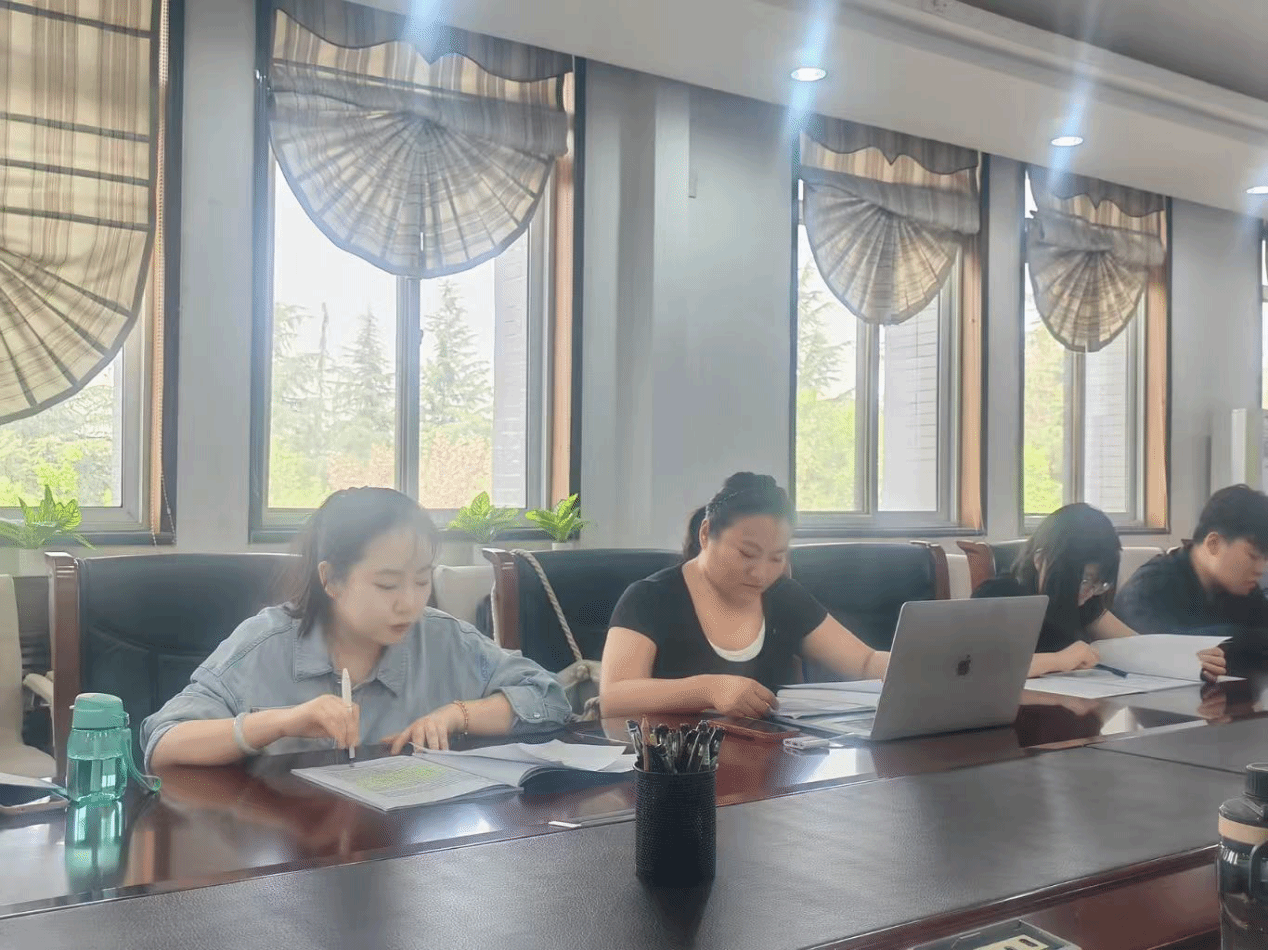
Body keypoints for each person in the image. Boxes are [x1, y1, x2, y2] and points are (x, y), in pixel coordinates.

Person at [141, 487, 569, 769]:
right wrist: (281, 722)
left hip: (413, 855)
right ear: (331, 580)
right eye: (387, 584)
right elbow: (163, 744)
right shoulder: (265, 645)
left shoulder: (445, 639)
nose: (410, 602)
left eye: (422, 580)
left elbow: (549, 698)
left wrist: (457, 715)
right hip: (294, 859)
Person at [599, 473, 888, 719]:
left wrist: (910, 669)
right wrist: (708, 690)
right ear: (706, 533)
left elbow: (864, 662)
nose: (761, 574)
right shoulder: (649, 598)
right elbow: (614, 697)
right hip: (679, 762)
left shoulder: (784, 597)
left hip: (776, 761)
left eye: (776, 558)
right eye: (747, 554)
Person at [1114, 485, 1268, 679]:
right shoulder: (1150, 586)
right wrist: (1238, 637)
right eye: (1253, 556)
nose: (1261, 569)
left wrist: (1227, 639)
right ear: (1213, 543)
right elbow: (1161, 649)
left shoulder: (1242, 587)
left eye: (1266, 558)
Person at [972, 504, 1138, 678]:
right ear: (1041, 560)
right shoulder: (999, 596)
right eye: (1084, 580)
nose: (1089, 592)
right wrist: (1058, 660)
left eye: (1099, 584)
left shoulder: (1085, 603)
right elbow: (976, 667)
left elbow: (1136, 645)